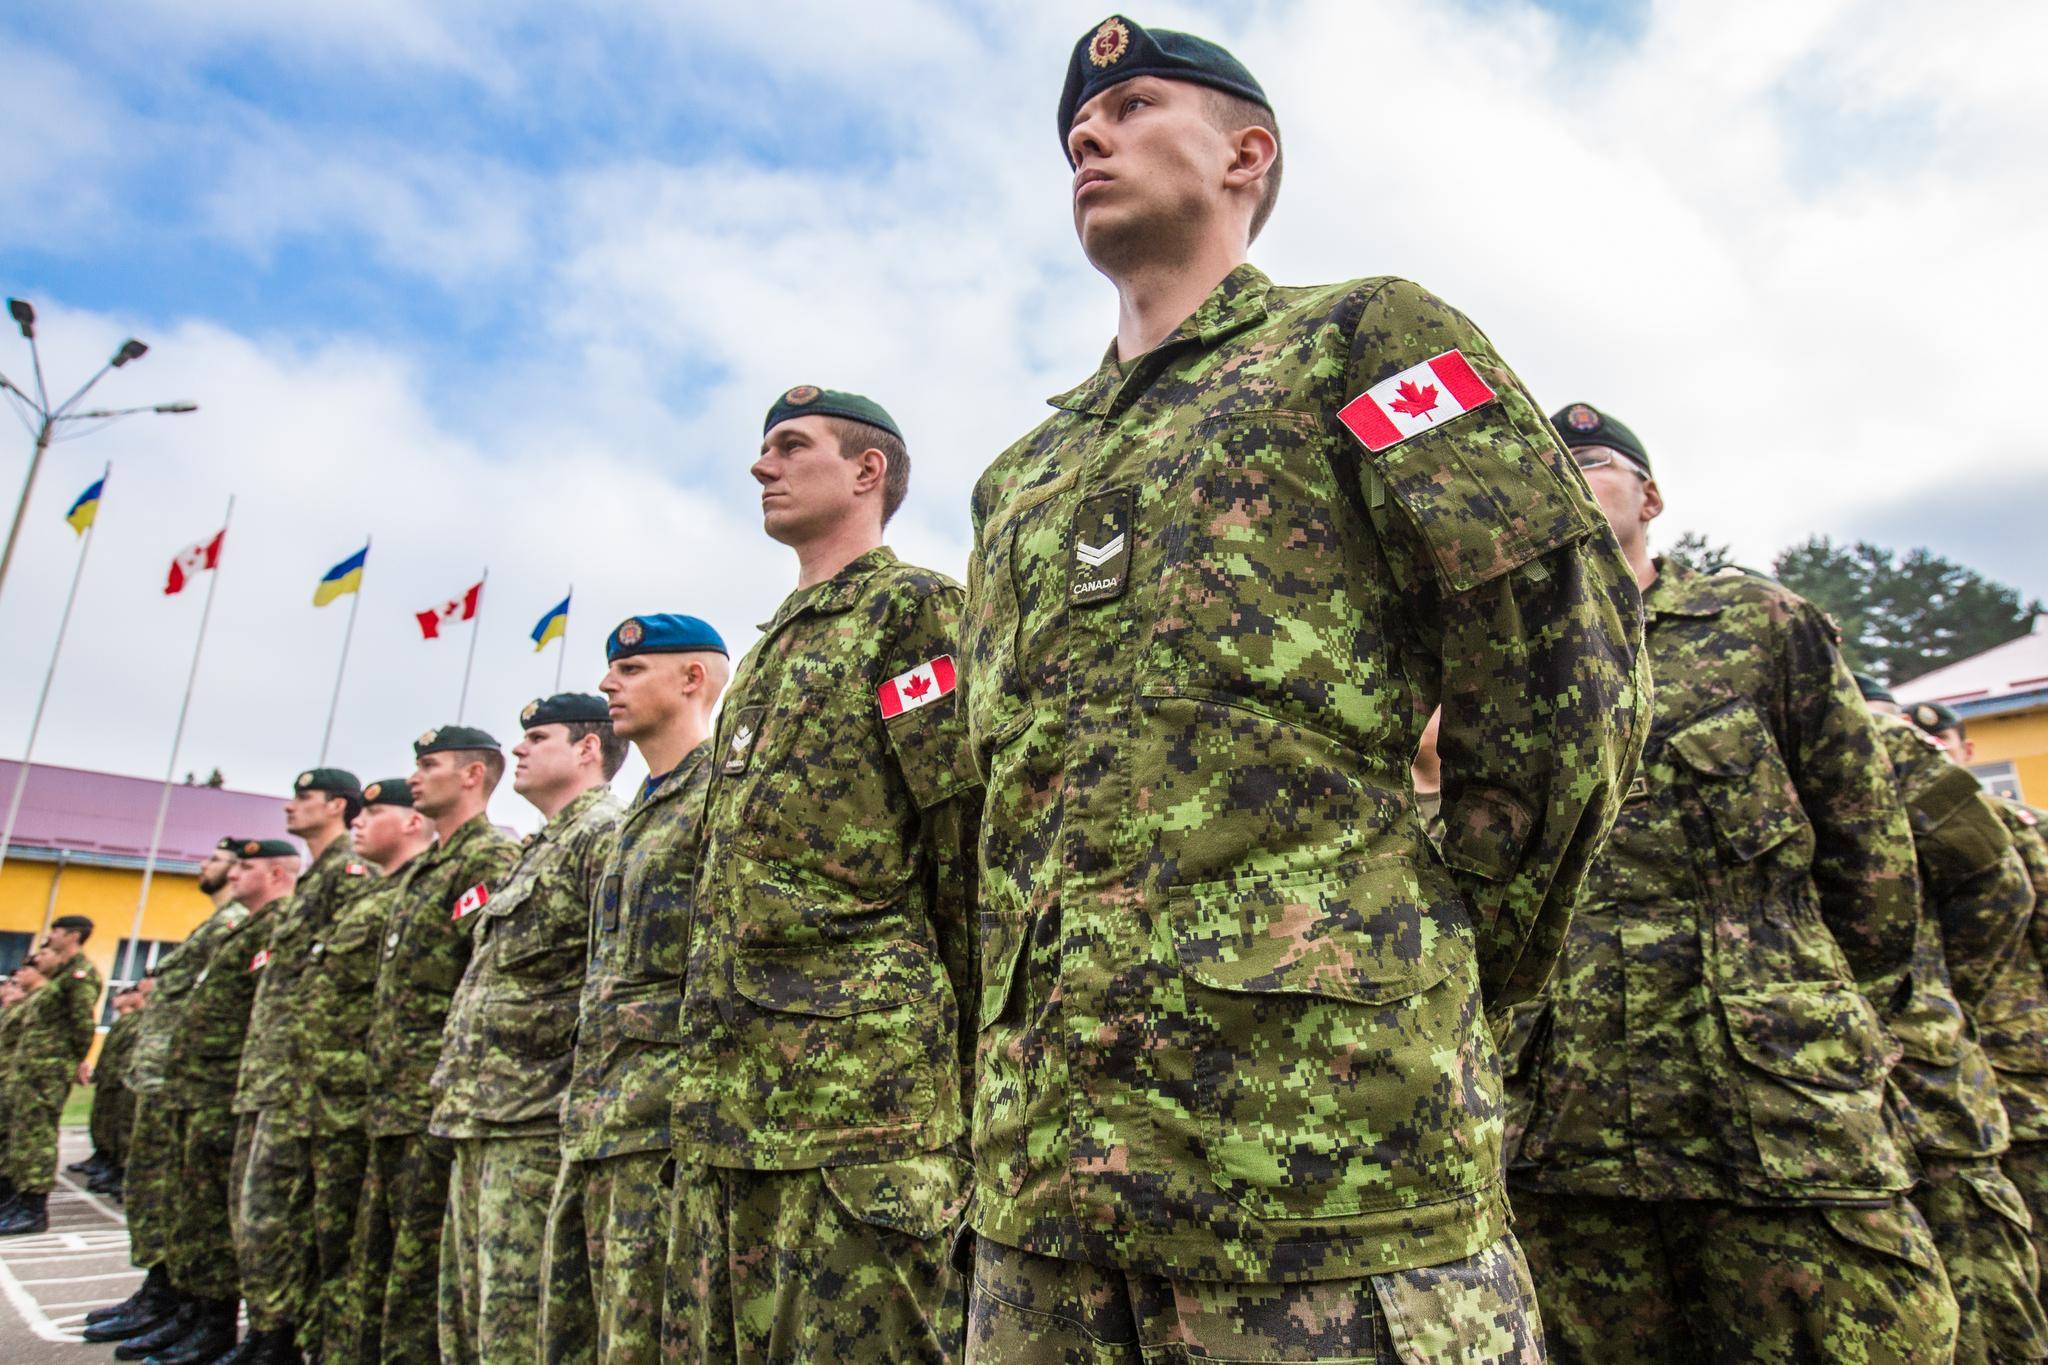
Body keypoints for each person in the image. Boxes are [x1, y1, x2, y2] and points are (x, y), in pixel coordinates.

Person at [959, 18, 1646, 1361]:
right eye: (1072, 128)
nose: (1087, 134)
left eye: (1134, 104)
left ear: (1245, 152)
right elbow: (1001, 808)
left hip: (1325, 1169)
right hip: (1045, 1201)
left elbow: (1559, 666)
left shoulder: (1364, 344)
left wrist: (1429, 959)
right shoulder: (1020, 478)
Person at [1506, 403, 1956, 1360]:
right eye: (1544, 465)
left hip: (1773, 1111)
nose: (1566, 477)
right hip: (1567, 1128)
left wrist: (1815, 1017)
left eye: (1588, 460)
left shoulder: (1756, 626)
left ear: (1652, 495)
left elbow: (1870, 860)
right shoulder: (1510, 661)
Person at [663, 387, 983, 1362]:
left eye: (788, 446)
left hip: (860, 1121)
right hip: (730, 1119)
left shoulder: (910, 613)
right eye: (763, 449)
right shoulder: (767, 655)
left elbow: (963, 845)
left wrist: (959, 1070)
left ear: (865, 470)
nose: (762, 466)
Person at [540, 616, 726, 1365]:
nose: (609, 683)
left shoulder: (721, 794)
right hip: (596, 1121)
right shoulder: (631, 821)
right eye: (611, 670)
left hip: (662, 1130)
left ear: (692, 680)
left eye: (633, 668)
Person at [1857, 677, 2048, 1362]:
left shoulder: (2002, 826)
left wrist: (1931, 998)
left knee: (1989, 1299)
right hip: (1858, 1102)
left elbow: (1998, 894)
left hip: (1964, 1088)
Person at [434, 695, 624, 1364]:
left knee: (523, 1329)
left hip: (538, 1125)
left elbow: (612, 981)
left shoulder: (605, 834)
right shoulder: (539, 846)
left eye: (537, 736)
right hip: (485, 1116)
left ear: (587, 748)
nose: (517, 749)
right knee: (474, 1323)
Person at [341, 727, 518, 1363]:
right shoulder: (428, 872)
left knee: (421, 1278)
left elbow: (480, 982)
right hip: (390, 1101)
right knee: (380, 1265)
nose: (415, 776)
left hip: (434, 1102)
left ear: (473, 775)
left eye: (430, 764)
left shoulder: (486, 861)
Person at [132, 840, 301, 1365]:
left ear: (276, 873)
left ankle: (216, 1320)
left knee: (232, 1218)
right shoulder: (237, 929)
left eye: (244, 867)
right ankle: (191, 1308)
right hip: (200, 1087)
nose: (230, 875)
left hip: (230, 1090)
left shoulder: (275, 925)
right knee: (195, 1210)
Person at [227, 770, 374, 1365]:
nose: (290, 806)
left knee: (279, 1215)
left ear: (336, 805)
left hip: (307, 1079)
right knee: (257, 1211)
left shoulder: (350, 872)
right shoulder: (319, 877)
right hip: (278, 1073)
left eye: (304, 798)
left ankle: (278, 1338)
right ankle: (266, 1333)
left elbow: (343, 982)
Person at [84, 838, 250, 1346]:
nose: (208, 865)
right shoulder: (215, 925)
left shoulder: (235, 924)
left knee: (184, 1199)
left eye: (220, 861)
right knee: (160, 1194)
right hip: (169, 1080)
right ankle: (165, 1291)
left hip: (197, 1084)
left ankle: (187, 1301)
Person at [299, 780, 433, 1363]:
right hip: (342, 1097)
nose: (360, 819)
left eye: (375, 810)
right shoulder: (379, 894)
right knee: (334, 1247)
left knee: (382, 1261)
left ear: (410, 823)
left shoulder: (439, 880)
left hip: (384, 1101)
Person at [0, 915, 102, 1236]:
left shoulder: (78, 976)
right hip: (30, 1070)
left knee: (37, 1137)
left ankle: (33, 1208)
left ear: (73, 935)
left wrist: (74, 1060)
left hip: (48, 1071)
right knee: (21, 1136)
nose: (51, 937)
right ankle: (17, 1198)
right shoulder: (58, 978)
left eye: (56, 932)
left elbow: (82, 1024)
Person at [84, 984, 147, 1196]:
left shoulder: (144, 1019)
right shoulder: (126, 1022)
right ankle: (109, 1161)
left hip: (129, 1080)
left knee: (127, 1127)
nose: (116, 998)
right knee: (108, 1121)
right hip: (114, 1078)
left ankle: (122, 1170)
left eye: (125, 993)